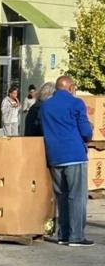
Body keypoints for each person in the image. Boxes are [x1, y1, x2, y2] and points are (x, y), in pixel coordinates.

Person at [41, 76, 95, 247]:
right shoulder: (76, 103)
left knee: (62, 196)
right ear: (70, 87)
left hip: (54, 156)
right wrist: (89, 133)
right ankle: (76, 236)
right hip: (74, 155)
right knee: (77, 197)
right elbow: (86, 131)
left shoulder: (45, 106)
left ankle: (63, 234)